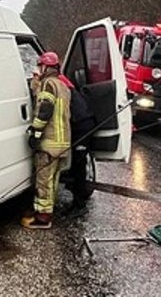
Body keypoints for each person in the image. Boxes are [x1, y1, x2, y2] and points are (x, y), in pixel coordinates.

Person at [21, 51, 70, 230]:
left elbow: (44, 110)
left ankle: (42, 218)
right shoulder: (61, 85)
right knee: (52, 180)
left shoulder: (48, 84)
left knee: (43, 180)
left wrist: (35, 132)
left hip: (49, 143)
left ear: (46, 67)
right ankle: (46, 212)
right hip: (62, 142)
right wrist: (36, 84)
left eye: (40, 66)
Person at [63, 74, 96, 215]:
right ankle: (76, 200)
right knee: (77, 166)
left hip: (82, 126)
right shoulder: (64, 83)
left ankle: (80, 205)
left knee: (79, 166)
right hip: (81, 123)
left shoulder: (57, 86)